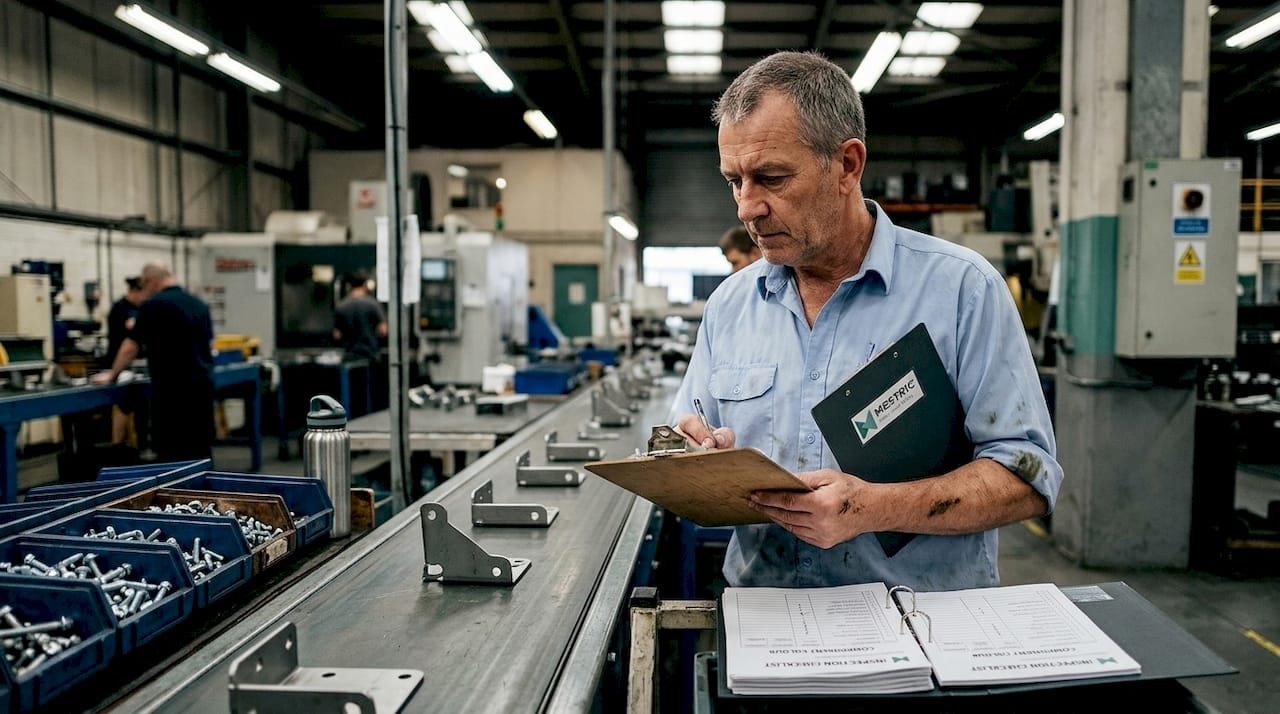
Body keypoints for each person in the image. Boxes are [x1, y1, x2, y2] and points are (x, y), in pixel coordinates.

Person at [671, 51, 1063, 593]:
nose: (746, 207)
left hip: (921, 629)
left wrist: (873, 508)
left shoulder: (961, 290)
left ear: (848, 165)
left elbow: (1027, 477)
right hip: (767, 624)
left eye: (771, 178)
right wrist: (693, 455)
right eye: (734, 181)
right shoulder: (730, 306)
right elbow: (688, 436)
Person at [93, 261, 215, 462]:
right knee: (201, 452)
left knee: (173, 457)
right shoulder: (199, 305)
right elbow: (208, 345)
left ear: (150, 281)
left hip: (172, 394)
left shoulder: (153, 306)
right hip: (202, 391)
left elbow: (131, 346)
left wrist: (112, 375)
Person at [103, 276, 147, 447]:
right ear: (134, 291)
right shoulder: (120, 309)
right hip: (119, 364)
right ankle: (117, 446)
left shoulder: (140, 308)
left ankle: (141, 443)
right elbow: (128, 339)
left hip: (138, 366)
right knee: (122, 405)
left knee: (141, 405)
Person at [333, 270, 387, 363]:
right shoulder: (373, 304)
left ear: (349, 286)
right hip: (370, 355)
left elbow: (337, 334)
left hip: (350, 356)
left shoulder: (341, 306)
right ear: (365, 284)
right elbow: (383, 330)